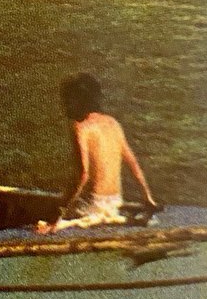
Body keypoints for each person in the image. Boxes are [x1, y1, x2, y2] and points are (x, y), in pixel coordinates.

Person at [38, 73, 158, 233]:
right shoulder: (113, 123)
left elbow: (83, 175)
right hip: (114, 203)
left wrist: (57, 216)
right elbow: (133, 164)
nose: (64, 104)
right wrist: (148, 199)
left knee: (44, 219)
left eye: (67, 99)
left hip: (91, 206)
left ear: (79, 100)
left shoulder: (80, 127)